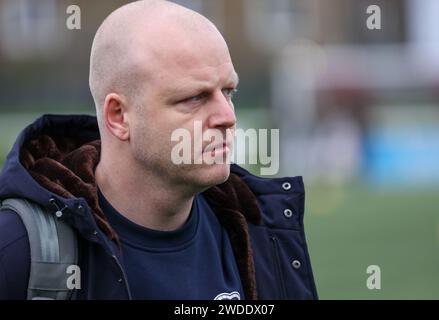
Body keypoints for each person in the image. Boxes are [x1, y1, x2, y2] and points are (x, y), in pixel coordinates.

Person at [0, 0, 317, 300]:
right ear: (119, 116)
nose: (227, 117)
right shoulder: (21, 250)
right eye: (194, 98)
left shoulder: (262, 237)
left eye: (228, 92)